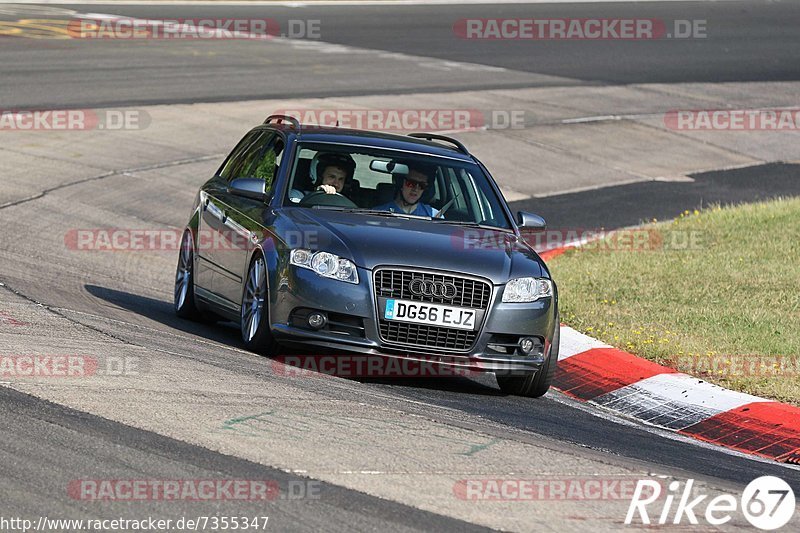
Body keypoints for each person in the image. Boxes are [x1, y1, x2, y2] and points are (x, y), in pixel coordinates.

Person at [375, 163, 439, 217]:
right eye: (411, 183)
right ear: (400, 183)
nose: (416, 189)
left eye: (422, 185)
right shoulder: (377, 214)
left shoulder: (435, 216)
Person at [289, 152, 356, 203]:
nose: (336, 183)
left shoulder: (349, 205)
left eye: (341, 179)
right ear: (319, 176)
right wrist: (317, 195)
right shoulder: (298, 195)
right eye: (332, 177)